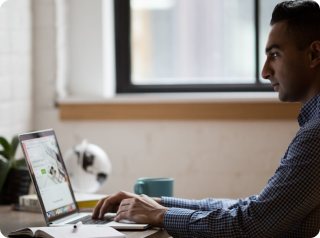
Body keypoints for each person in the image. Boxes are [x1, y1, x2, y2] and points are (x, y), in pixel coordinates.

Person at [92, 1, 320, 237]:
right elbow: (252, 208)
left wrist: (159, 215)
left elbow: (250, 224)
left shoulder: (315, 134)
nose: (265, 71)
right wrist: (157, 204)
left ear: (314, 54)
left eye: (275, 54)